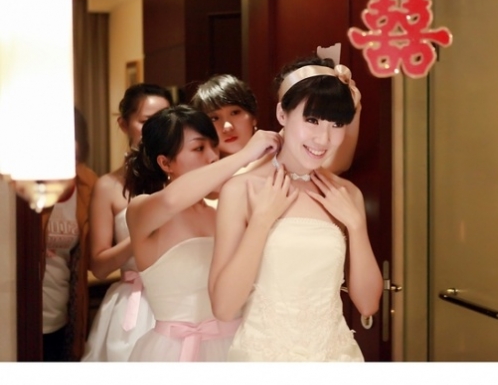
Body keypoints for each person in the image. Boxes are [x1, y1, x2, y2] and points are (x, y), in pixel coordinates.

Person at [208, 56, 383, 361]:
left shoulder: (346, 194)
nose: (324, 138)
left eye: (336, 124)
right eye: (312, 120)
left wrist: (355, 226)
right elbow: (223, 307)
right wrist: (261, 222)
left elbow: (368, 305)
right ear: (282, 114)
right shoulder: (242, 190)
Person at [124, 105, 281, 361]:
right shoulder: (142, 209)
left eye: (213, 146)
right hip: (173, 352)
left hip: (236, 343)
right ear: (165, 163)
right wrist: (246, 154)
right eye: (199, 148)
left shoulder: (221, 210)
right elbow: (172, 200)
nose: (212, 157)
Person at [82, 83, 173, 362]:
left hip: (178, 298)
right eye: (146, 122)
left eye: (164, 121)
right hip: (134, 303)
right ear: (124, 124)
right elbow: (99, 266)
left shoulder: (184, 181)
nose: (156, 130)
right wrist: (140, 236)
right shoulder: (108, 187)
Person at [191, 69, 361, 173]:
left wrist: (352, 107)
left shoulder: (283, 152)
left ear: (253, 115)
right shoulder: (199, 174)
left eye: (235, 112)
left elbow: (336, 164)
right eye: (214, 118)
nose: (227, 126)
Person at [41, 107, 98, 361]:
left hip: (63, 316)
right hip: (19, 316)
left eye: (75, 137)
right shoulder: (19, 185)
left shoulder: (88, 185)